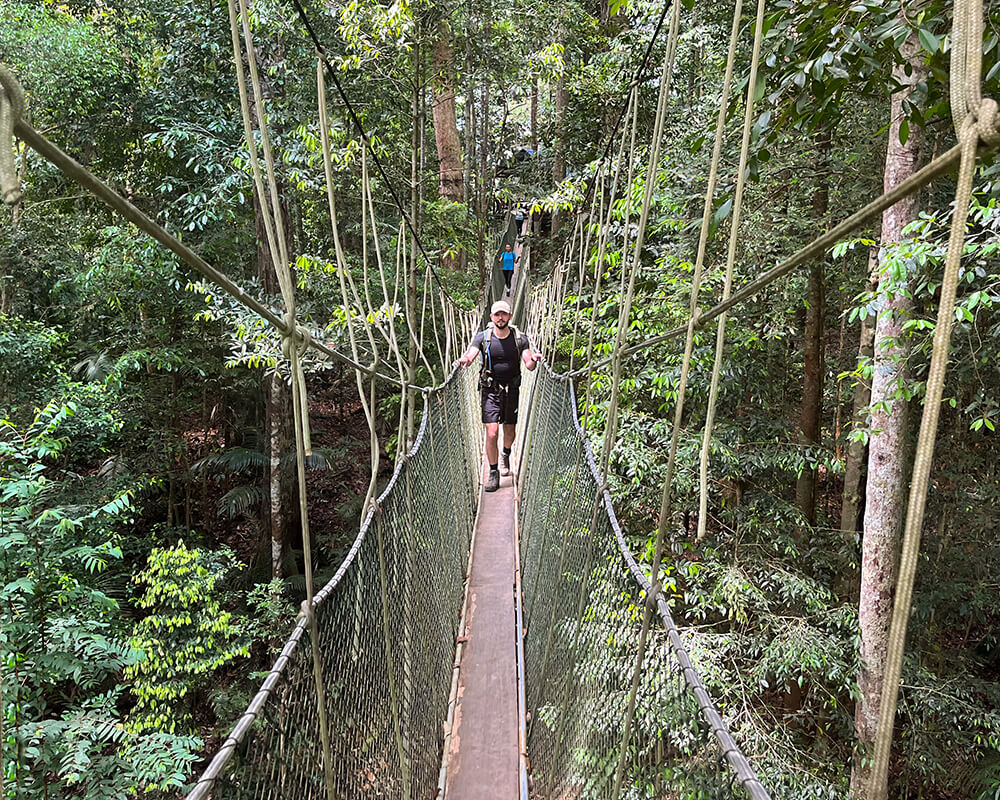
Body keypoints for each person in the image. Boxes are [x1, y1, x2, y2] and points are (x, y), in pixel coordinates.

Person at [456, 300, 542, 492]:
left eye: (504, 314)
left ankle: (505, 454)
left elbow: (528, 362)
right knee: (492, 432)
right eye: (497, 314)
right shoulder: (482, 338)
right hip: (490, 390)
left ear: (510, 317)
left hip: (511, 389)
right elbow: (471, 355)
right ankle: (493, 472)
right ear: (491, 317)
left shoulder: (520, 339)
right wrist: (465, 359)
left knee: (509, 431)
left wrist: (534, 360)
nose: (500, 318)